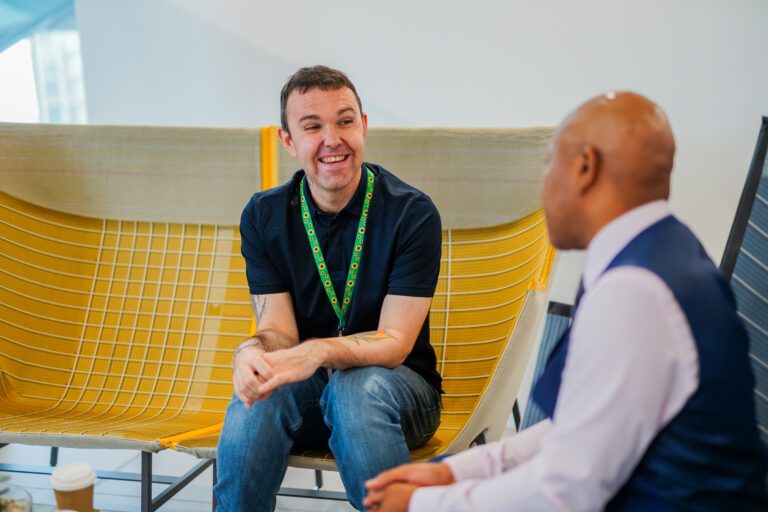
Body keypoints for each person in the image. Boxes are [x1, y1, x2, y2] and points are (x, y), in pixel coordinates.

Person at [364, 92, 768, 511]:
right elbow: (583, 429)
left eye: (548, 166)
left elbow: (568, 491)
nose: (544, 187)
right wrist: (458, 470)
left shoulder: (633, 292)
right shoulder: (668, 252)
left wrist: (421, 505)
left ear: (584, 167)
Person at [214, 65, 443, 511]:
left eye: (344, 121)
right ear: (288, 140)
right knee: (262, 389)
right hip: (309, 393)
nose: (332, 140)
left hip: (400, 396)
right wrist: (250, 354)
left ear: (363, 126)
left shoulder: (412, 213)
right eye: (312, 127)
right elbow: (277, 331)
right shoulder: (264, 216)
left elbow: (395, 344)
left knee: (353, 390)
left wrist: (318, 351)